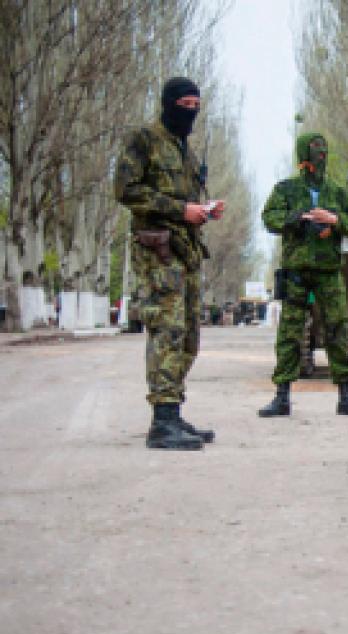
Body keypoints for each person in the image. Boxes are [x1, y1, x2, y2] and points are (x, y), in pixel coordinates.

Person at [114, 76, 222, 451]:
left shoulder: (184, 151)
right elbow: (126, 190)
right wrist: (180, 210)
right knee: (168, 330)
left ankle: (173, 413)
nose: (190, 113)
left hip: (185, 252)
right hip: (157, 252)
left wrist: (204, 211)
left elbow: (187, 202)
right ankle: (161, 421)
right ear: (169, 103)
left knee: (188, 336)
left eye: (196, 107)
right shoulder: (144, 140)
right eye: (185, 105)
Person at [257, 132, 348, 418]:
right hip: (296, 272)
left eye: (321, 152)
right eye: (312, 152)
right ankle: (282, 395)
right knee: (290, 333)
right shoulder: (286, 190)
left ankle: (346, 394)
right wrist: (298, 218)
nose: (317, 158)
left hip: (329, 272)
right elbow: (269, 218)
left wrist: (334, 220)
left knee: (338, 329)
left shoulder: (339, 193)